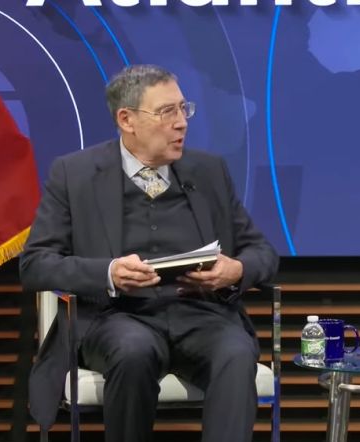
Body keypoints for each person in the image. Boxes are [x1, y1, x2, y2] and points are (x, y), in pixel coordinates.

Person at [20, 64, 278, 442]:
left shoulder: (208, 171)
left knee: (236, 351)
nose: (181, 123)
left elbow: (262, 252)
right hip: (115, 316)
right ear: (127, 120)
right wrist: (108, 273)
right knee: (133, 350)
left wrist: (235, 270)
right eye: (166, 112)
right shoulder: (74, 174)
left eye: (183, 109)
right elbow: (35, 264)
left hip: (201, 315)